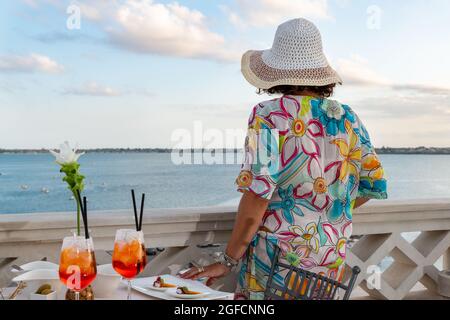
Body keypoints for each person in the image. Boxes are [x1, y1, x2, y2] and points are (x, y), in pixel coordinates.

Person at [181, 18, 387, 300]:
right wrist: (324, 211)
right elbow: (372, 184)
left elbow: (257, 199)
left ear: (278, 71)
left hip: (276, 263)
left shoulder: (269, 115)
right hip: (328, 261)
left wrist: (228, 260)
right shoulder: (348, 117)